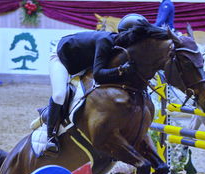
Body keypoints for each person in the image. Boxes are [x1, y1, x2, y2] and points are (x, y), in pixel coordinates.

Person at [45, 14, 149, 154]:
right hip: (62, 57)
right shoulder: (105, 41)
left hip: (83, 62)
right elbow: (99, 74)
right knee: (59, 95)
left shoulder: (120, 48)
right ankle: (50, 136)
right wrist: (120, 70)